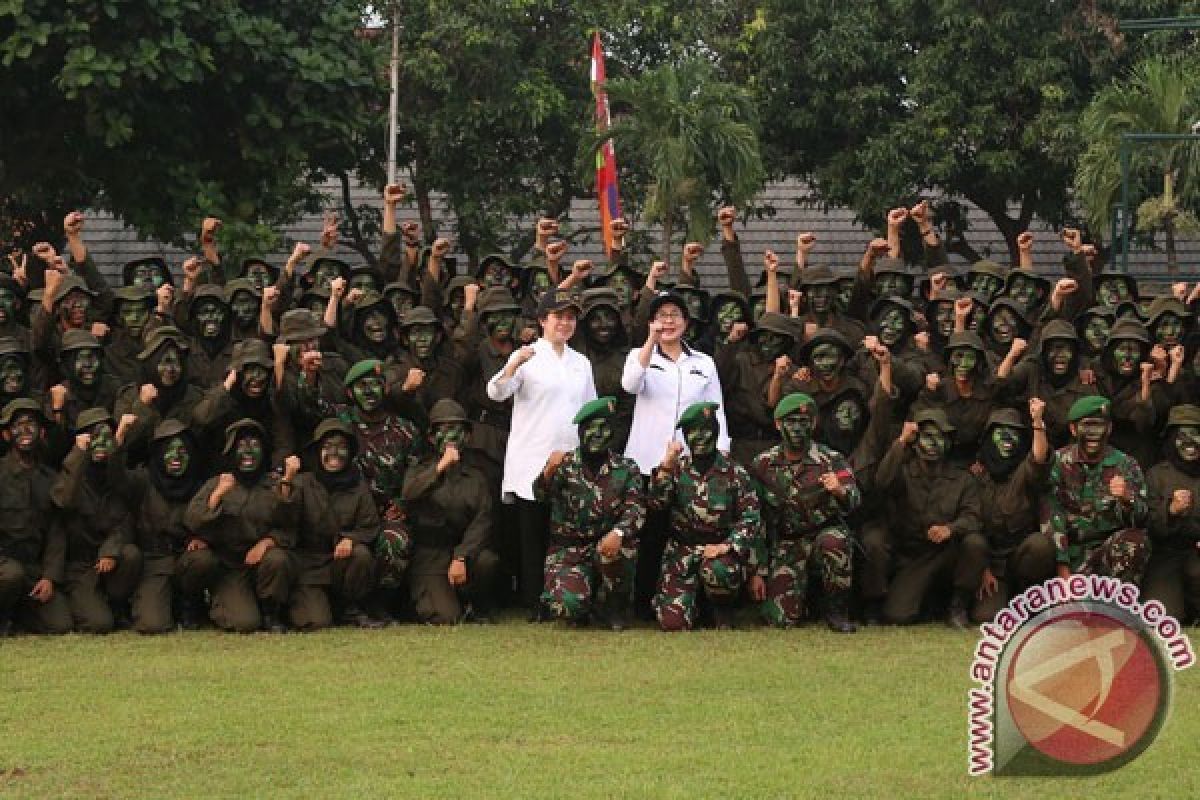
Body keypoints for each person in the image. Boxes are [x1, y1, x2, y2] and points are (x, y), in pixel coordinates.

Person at [486, 288, 596, 619]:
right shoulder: (527, 356)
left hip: (571, 461)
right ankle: (534, 603)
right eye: (558, 316)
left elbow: (589, 410)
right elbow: (496, 392)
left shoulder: (582, 363)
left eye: (570, 317)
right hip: (531, 460)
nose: (564, 323)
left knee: (565, 532)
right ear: (542, 320)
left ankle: (566, 594)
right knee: (532, 536)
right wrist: (512, 365)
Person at [622, 290, 727, 619]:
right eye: (661, 316)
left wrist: (721, 449)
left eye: (674, 315)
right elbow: (629, 384)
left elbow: (716, 410)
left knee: (686, 530)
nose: (668, 321)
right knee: (649, 533)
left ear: (686, 322)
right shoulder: (639, 356)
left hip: (690, 461)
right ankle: (641, 604)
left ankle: (691, 601)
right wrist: (649, 343)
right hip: (648, 460)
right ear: (651, 322)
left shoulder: (702, 362)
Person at [749, 392, 862, 632]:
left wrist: (840, 490)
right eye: (791, 422)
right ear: (778, 425)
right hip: (788, 543)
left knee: (836, 541)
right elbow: (754, 518)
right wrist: (758, 569)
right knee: (781, 621)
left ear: (812, 424)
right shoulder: (763, 464)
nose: (798, 429)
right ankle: (803, 603)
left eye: (803, 422)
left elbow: (855, 500)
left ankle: (837, 611)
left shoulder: (831, 459)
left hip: (823, 535)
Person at [648, 401, 763, 631]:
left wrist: (727, 546)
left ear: (716, 432)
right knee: (673, 624)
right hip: (682, 551)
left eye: (705, 430)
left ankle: (721, 612)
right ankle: (690, 607)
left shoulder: (734, 472)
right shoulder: (677, 469)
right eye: (693, 431)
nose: (699, 437)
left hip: (719, 552)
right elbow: (656, 504)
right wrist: (665, 468)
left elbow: (751, 518)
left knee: (719, 570)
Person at [535, 397, 645, 630]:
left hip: (608, 547)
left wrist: (618, 532)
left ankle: (613, 607)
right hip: (570, 550)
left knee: (622, 548)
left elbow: (636, 508)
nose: (597, 434)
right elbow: (540, 496)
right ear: (580, 432)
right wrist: (548, 471)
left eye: (604, 428)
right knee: (567, 608)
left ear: (612, 433)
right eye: (591, 428)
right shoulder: (564, 465)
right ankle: (583, 603)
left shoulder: (627, 468)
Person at [182, 419, 300, 633]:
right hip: (227, 566)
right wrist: (218, 494)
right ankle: (203, 605)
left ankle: (271, 612)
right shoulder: (217, 482)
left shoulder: (275, 484)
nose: (248, 452)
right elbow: (192, 520)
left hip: (261, 564)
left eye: (254, 445)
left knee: (278, 558)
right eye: (241, 446)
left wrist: (267, 542)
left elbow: (290, 525)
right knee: (245, 623)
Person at [401, 399, 499, 624]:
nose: (451, 437)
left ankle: (475, 605)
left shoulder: (477, 476)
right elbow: (409, 493)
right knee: (446, 617)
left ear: (468, 437)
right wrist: (440, 467)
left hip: (461, 552)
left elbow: (483, 520)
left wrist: (461, 556)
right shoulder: (420, 469)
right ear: (431, 437)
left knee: (487, 561)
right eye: (444, 431)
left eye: (457, 431)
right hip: (430, 557)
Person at [1042, 396, 1150, 585]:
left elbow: (1142, 518)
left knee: (1136, 539)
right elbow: (1052, 514)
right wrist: (1062, 568)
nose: (1094, 434)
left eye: (1099, 427)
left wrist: (1127, 498)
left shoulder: (1126, 464)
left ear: (1109, 429)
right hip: (1067, 553)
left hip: (1107, 556)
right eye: (1087, 426)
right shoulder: (1058, 462)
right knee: (1039, 548)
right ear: (1073, 429)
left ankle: (1117, 605)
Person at [0, 399, 72, 635]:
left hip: (33, 570)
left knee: (60, 624)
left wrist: (50, 577)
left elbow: (55, 532)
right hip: (4, 567)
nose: (25, 430)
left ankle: (18, 616)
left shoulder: (50, 479)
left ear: (42, 432)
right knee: (12, 575)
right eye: (18, 425)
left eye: (31, 424)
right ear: (6, 434)